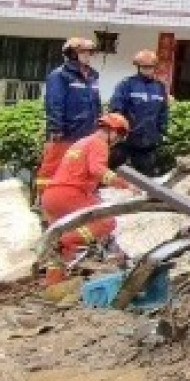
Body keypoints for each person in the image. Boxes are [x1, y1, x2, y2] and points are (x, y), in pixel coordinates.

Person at [40, 113, 134, 271]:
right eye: (120, 135)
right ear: (113, 130)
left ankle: (55, 280)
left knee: (63, 254)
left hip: (51, 197)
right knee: (106, 221)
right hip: (70, 194)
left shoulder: (82, 142)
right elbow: (97, 169)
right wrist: (125, 184)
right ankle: (62, 241)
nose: (118, 140)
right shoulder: (99, 143)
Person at [36, 37, 102, 192]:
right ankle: (45, 198)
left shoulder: (92, 76)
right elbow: (54, 103)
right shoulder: (59, 75)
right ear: (72, 54)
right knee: (54, 167)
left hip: (87, 132)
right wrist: (56, 128)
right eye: (83, 52)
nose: (88, 56)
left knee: (80, 168)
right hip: (65, 133)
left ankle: (76, 197)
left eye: (89, 52)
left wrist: (99, 125)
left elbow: (96, 103)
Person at [108, 50, 170, 175]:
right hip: (126, 140)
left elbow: (163, 112)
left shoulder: (159, 87)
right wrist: (119, 131)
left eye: (150, 67)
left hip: (148, 142)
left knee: (144, 176)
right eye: (144, 67)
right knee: (114, 173)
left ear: (154, 67)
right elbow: (116, 110)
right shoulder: (126, 84)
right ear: (138, 67)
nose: (147, 70)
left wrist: (162, 132)